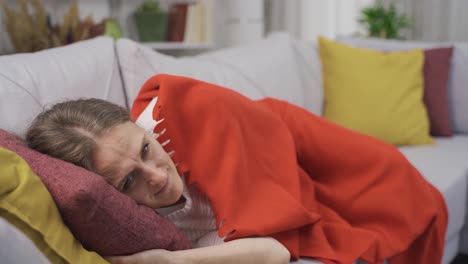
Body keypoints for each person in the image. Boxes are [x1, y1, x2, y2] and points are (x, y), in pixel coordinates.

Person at [26, 74, 447, 264]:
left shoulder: (197, 112)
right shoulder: (122, 215)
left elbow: (277, 249)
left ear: (139, 127)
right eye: (129, 180)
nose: (157, 176)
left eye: (146, 149)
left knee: (407, 200)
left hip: (319, 155)